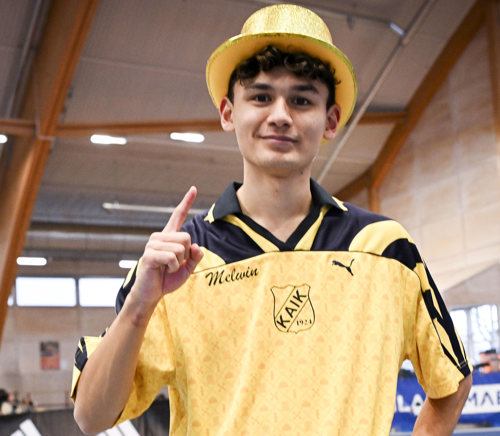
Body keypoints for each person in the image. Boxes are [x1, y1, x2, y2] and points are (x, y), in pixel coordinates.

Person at [72, 4, 472, 435]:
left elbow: (451, 381)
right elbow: (91, 417)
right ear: (228, 113)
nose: (280, 115)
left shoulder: (384, 248)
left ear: (330, 121)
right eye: (261, 97)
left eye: (301, 100)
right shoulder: (180, 260)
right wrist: (139, 307)